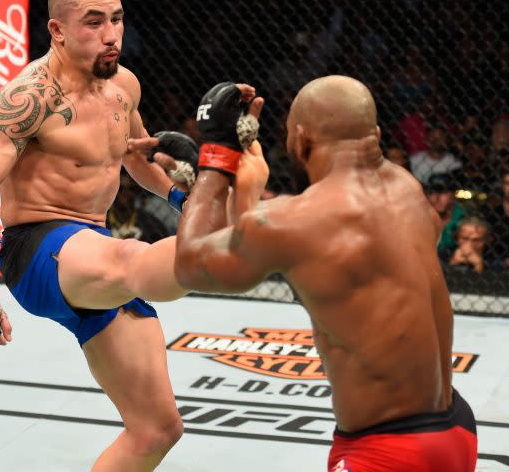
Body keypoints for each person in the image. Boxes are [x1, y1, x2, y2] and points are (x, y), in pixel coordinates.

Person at [0, 0, 262, 472]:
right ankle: (217, 244)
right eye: (93, 22)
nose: (110, 33)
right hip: (38, 248)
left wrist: (182, 198)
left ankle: (209, 232)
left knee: (157, 429)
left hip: (93, 250)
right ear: (57, 30)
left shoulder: (123, 86)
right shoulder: (28, 99)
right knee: (132, 257)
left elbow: (135, 157)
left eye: (116, 19)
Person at [175, 76, 477, 472]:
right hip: (455, 428)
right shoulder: (408, 189)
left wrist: (217, 155)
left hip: (389, 450)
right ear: (376, 134)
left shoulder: (292, 221)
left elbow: (191, 265)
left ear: (301, 140)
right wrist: (247, 197)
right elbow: (335, 269)